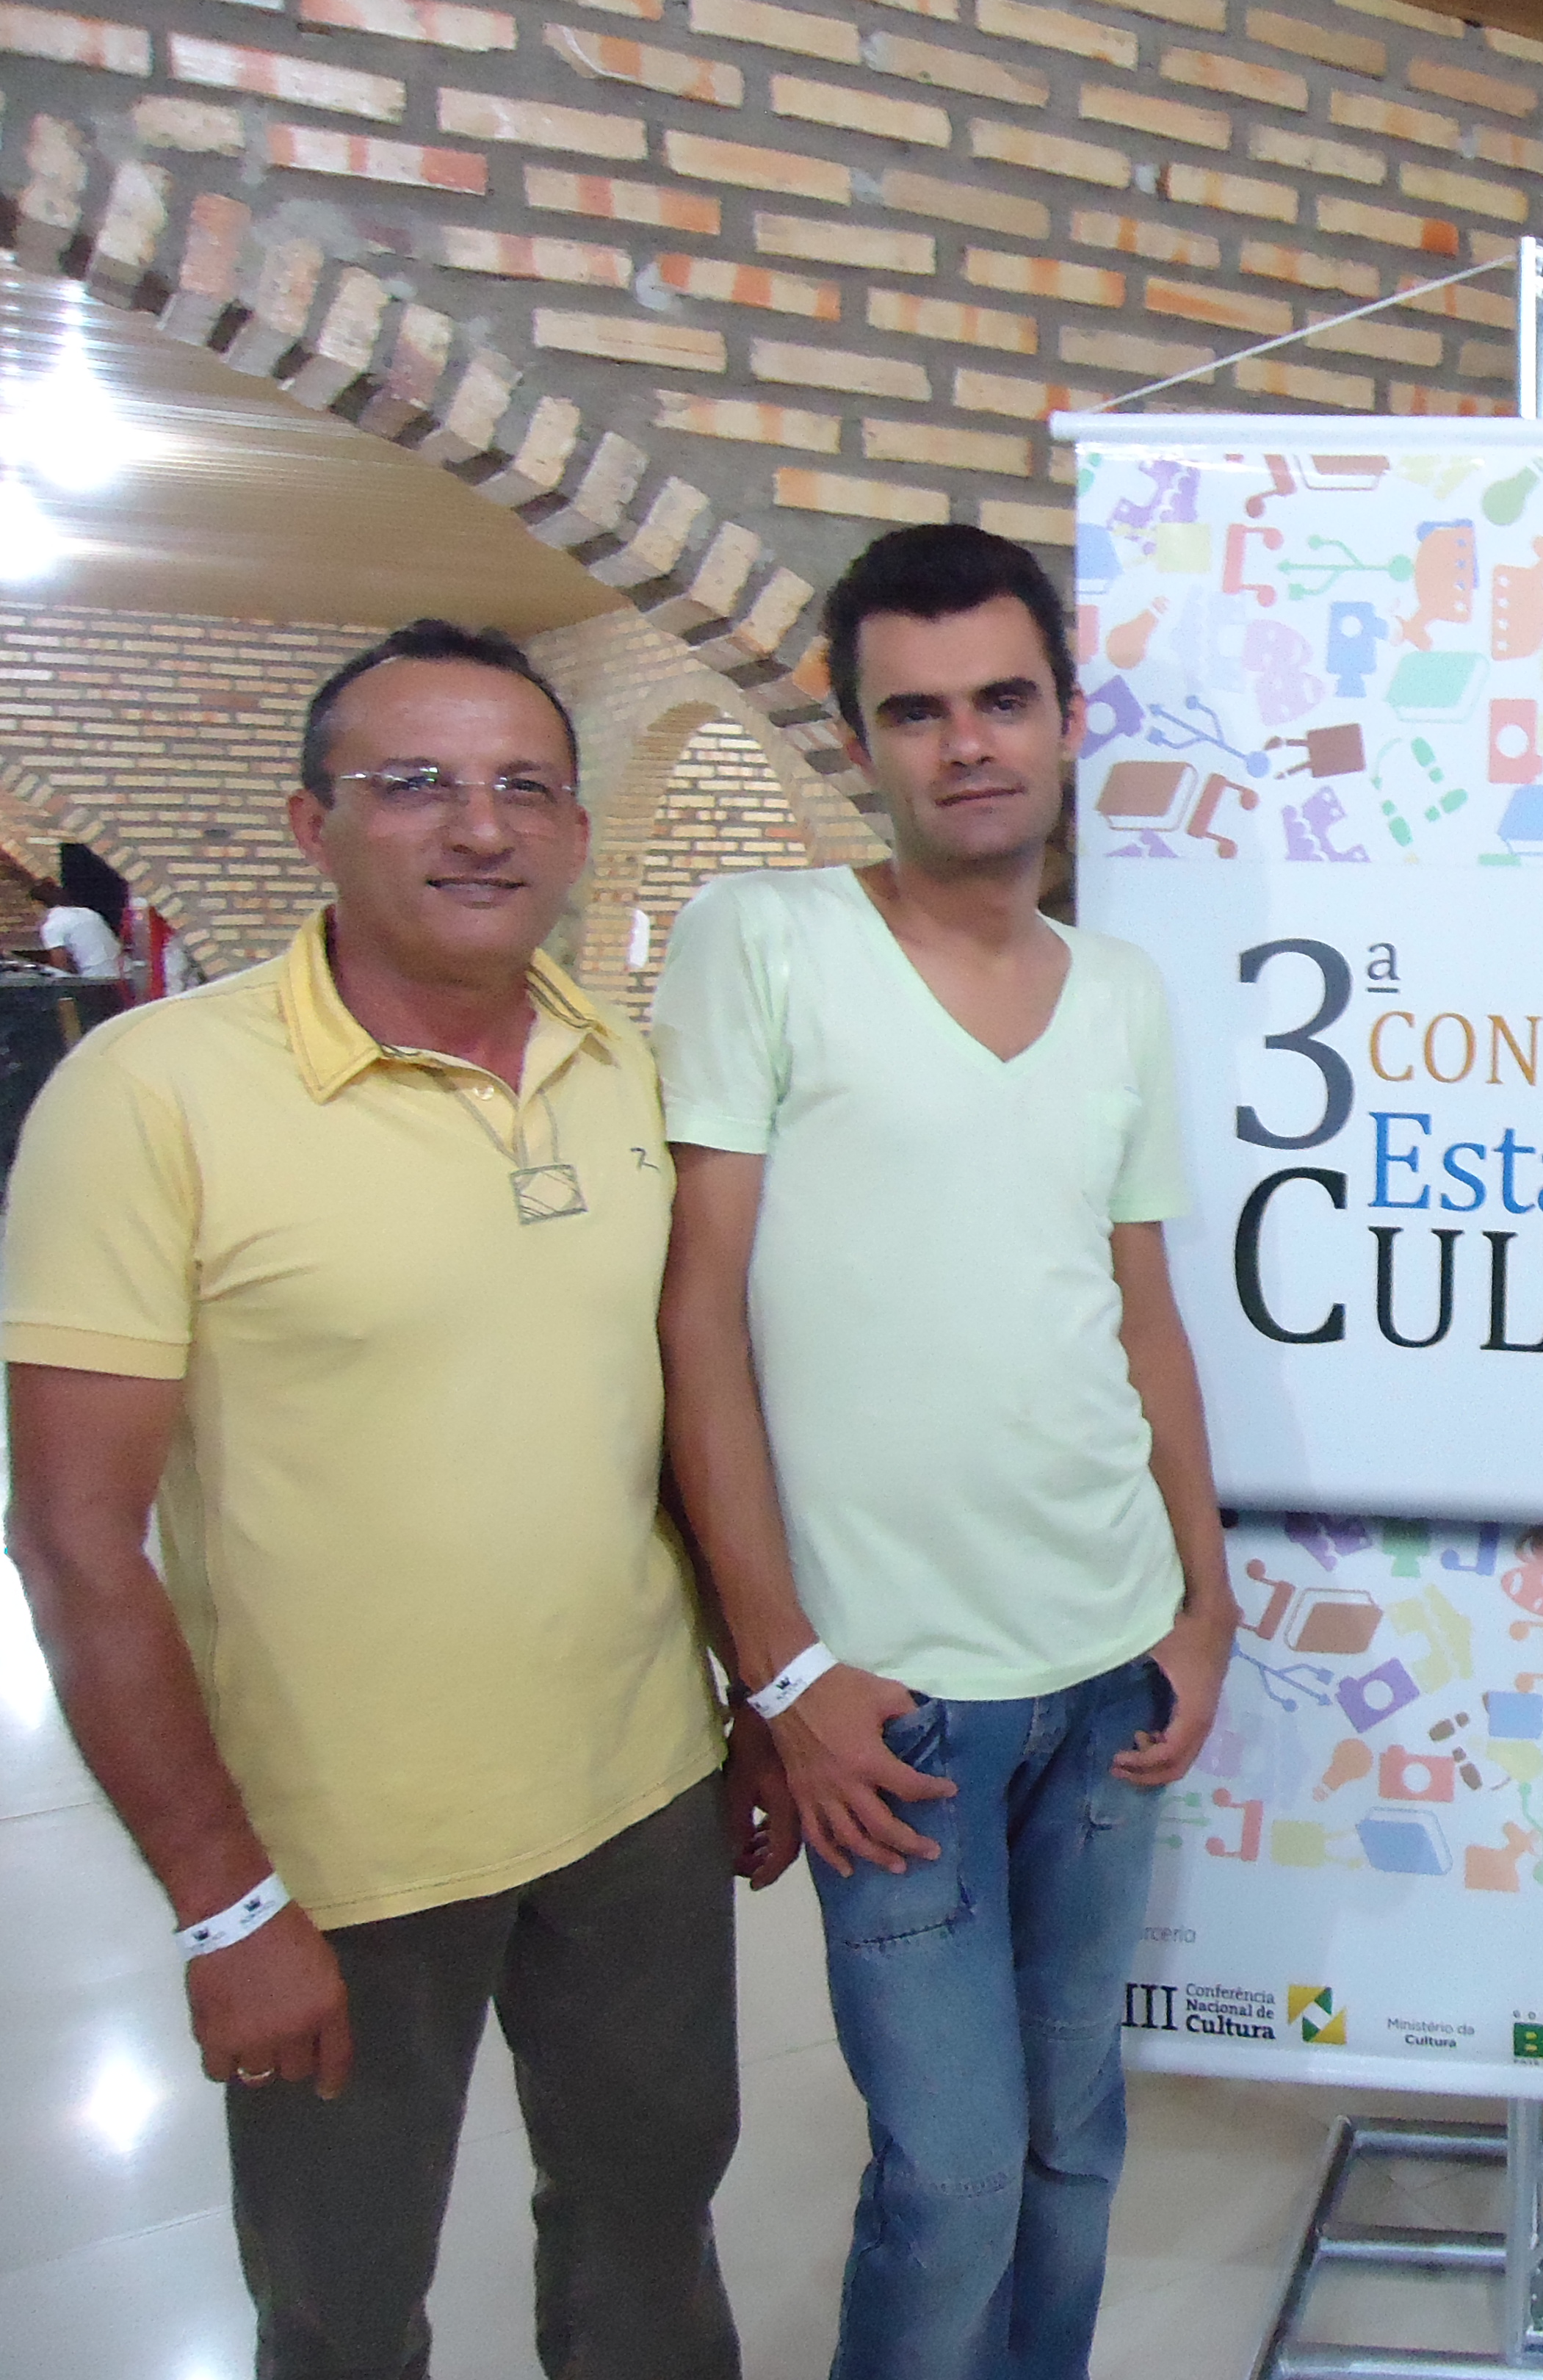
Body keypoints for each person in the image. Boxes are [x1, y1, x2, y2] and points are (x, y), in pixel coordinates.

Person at [1, 619, 787, 2379]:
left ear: (576, 830)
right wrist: (225, 1898)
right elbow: (71, 1537)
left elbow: (670, 1415)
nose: (480, 827)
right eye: (417, 783)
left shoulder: (621, 1064)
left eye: (525, 787)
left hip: (638, 1798)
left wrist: (751, 1692)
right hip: (335, 1850)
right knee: (345, 2306)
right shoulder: (153, 1096)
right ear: (316, 823)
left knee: (653, 2223)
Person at [653, 524, 1237, 2380]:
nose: (967, 743)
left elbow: (1144, 1315)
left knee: (1075, 2144)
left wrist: (1206, 1604)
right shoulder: (765, 942)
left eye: (1003, 699)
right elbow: (698, 1321)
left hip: (1111, 1668)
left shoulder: (1121, 988)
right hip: (891, 1701)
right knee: (955, 2171)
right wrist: (781, 1672)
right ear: (859, 740)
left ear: (1066, 720)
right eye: (916, 712)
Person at [31, 876, 124, 977]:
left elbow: (61, 966)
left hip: (97, 976)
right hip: (124, 970)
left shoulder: (52, 926)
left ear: (38, 904)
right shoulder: (88, 912)